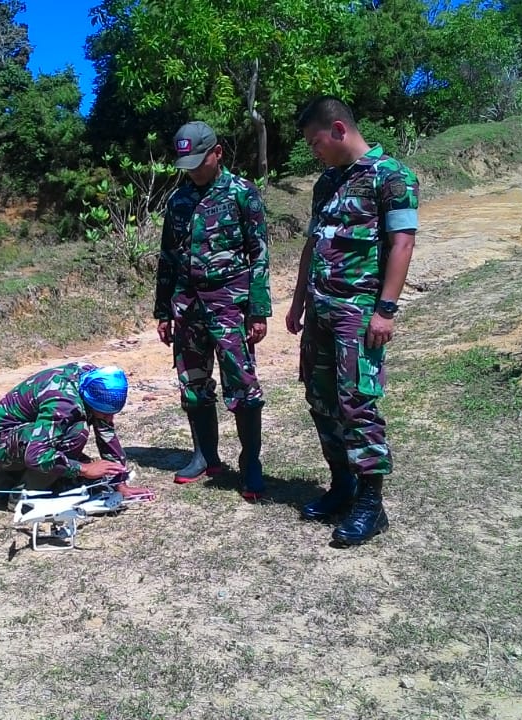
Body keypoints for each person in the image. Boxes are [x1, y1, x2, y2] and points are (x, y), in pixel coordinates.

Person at [287, 96, 419, 546]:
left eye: (315, 141)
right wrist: (297, 302)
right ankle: (340, 484)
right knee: (321, 399)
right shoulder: (326, 183)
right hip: (321, 310)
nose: (313, 150)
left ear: (339, 129)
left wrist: (385, 309)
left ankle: (370, 503)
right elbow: (311, 245)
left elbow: (402, 244)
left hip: (358, 312)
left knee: (357, 402)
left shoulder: (391, 176)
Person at [155, 120, 272, 501]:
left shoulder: (242, 194)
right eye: (185, 162)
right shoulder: (178, 200)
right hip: (187, 305)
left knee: (241, 384)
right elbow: (168, 258)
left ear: (217, 153)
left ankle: (250, 462)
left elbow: (259, 254)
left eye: (198, 160)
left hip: (229, 303)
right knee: (193, 383)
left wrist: (258, 310)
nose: (191, 169)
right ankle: (205, 455)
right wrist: (163, 310)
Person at [0, 363, 154, 509]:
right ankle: (23, 494)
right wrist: (84, 469)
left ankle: (30, 481)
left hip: (23, 438)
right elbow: (36, 455)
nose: (109, 419)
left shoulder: (93, 381)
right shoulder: (63, 403)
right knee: (76, 433)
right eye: (105, 413)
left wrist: (119, 484)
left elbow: (106, 433)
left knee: (79, 465)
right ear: (89, 400)